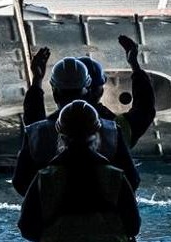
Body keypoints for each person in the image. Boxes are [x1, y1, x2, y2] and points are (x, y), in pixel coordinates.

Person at [18, 101, 144, 242]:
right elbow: (133, 225)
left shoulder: (45, 178)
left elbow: (27, 228)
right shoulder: (116, 178)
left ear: (60, 133)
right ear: (96, 132)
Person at [14, 56, 139, 194]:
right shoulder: (113, 131)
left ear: (55, 93)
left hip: (52, 213)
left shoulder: (36, 132)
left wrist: (37, 80)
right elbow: (132, 181)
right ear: (87, 90)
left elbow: (20, 182)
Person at [24, 36, 156, 148]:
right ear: (90, 92)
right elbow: (145, 110)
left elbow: (33, 121)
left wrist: (37, 79)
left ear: (55, 94)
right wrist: (134, 65)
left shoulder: (42, 133)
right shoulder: (116, 130)